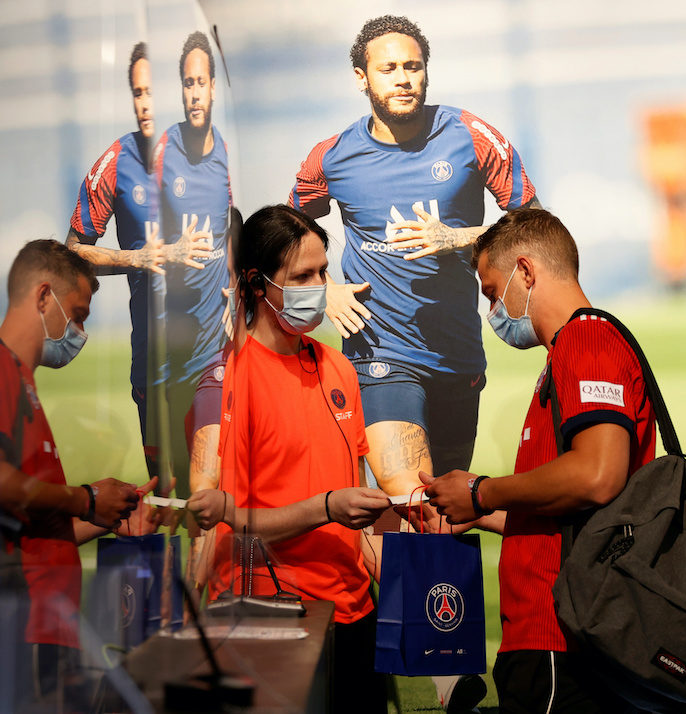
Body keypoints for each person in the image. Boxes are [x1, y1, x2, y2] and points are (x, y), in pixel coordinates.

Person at [290, 15, 538, 709]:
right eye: (389, 68)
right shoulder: (330, 157)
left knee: (445, 505)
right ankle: (449, 677)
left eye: (413, 67)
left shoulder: (471, 137)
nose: (403, 79)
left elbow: (534, 224)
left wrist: (458, 236)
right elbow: (288, 239)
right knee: (410, 494)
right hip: (377, 354)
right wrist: (324, 291)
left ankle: (409, 644)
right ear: (362, 77)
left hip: (457, 353)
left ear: (426, 71)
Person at [421, 208, 656, 713]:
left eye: (491, 291)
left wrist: (481, 489)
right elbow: (571, 514)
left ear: (526, 272)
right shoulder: (565, 353)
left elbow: (597, 476)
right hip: (545, 639)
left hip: (563, 641)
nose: (492, 312)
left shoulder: (588, 340)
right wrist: (473, 511)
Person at [186, 204, 392, 713]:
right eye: (303, 276)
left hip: (355, 615)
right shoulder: (228, 381)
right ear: (257, 285)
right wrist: (327, 507)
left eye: (323, 271)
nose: (321, 285)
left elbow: (359, 508)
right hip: (271, 620)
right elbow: (229, 520)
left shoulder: (339, 369)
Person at [0, 239, 156, 700]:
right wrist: (87, 498)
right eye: (78, 315)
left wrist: (111, 514)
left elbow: (38, 530)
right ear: (43, 297)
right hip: (23, 623)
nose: (79, 331)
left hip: (47, 625)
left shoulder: (24, 383)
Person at [66, 41, 164, 472]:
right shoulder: (115, 162)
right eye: (138, 93)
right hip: (155, 358)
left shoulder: (215, 157)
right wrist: (138, 259)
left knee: (229, 504)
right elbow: (72, 256)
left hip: (218, 357)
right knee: (174, 498)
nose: (145, 104)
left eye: (153, 91)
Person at [152, 30, 232, 497]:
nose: (194, 93)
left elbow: (232, 232)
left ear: (214, 87)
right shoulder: (161, 155)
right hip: (166, 355)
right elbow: (140, 242)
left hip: (212, 354)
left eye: (201, 82)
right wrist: (169, 248)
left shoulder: (226, 151)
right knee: (170, 497)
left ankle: (208, 571)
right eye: (187, 83)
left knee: (206, 489)